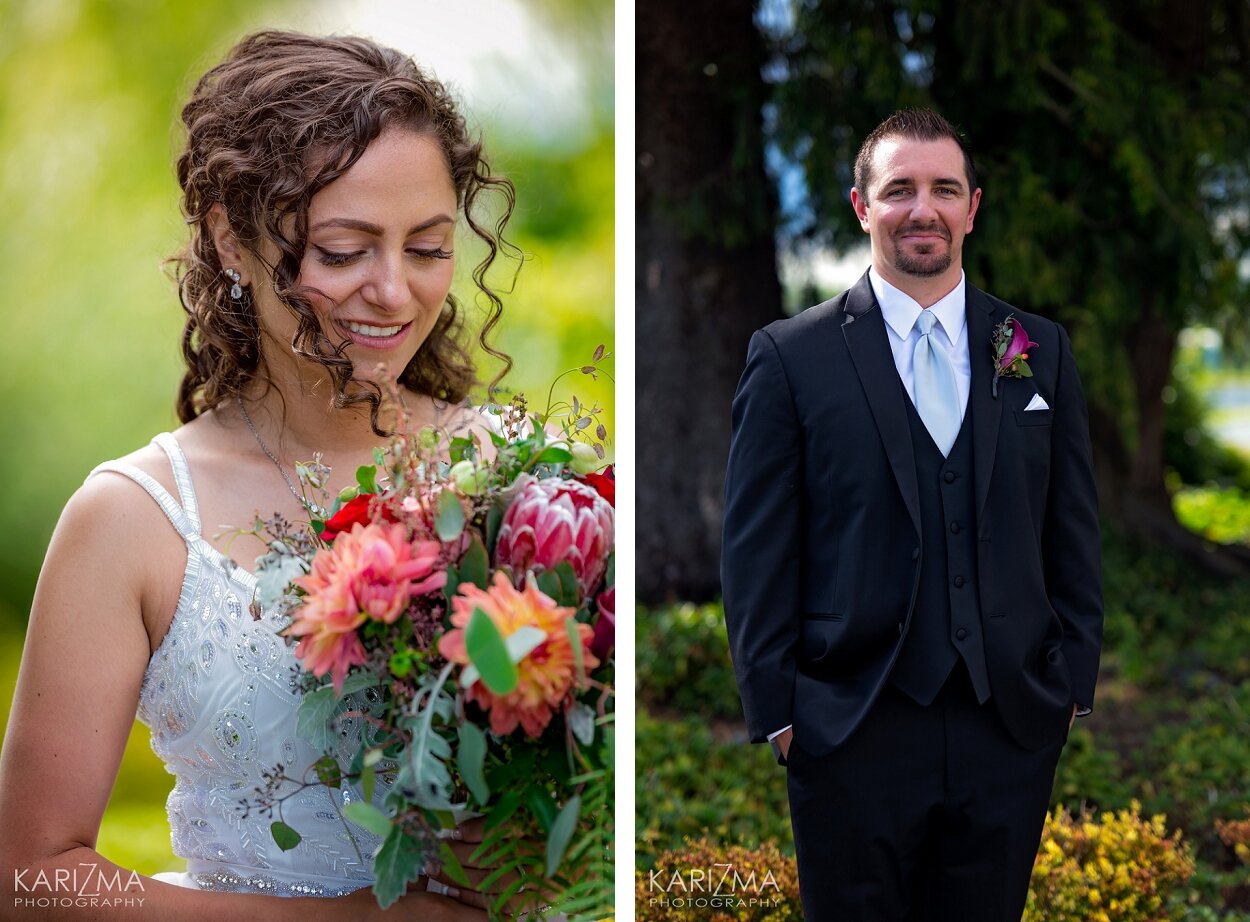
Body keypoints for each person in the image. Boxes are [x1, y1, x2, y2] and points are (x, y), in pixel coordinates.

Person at [0, 31, 520, 920]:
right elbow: (30, 877)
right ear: (231, 240)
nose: (394, 292)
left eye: (428, 247)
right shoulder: (134, 520)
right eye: (345, 250)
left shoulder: (525, 482)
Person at [721, 108, 1103, 921]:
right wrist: (782, 715)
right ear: (863, 207)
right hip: (849, 726)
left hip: (1009, 726)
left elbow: (1071, 528)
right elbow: (756, 551)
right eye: (899, 189)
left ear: (972, 207)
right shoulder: (791, 357)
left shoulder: (1037, 347)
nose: (922, 208)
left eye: (943, 189)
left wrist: (1072, 679)